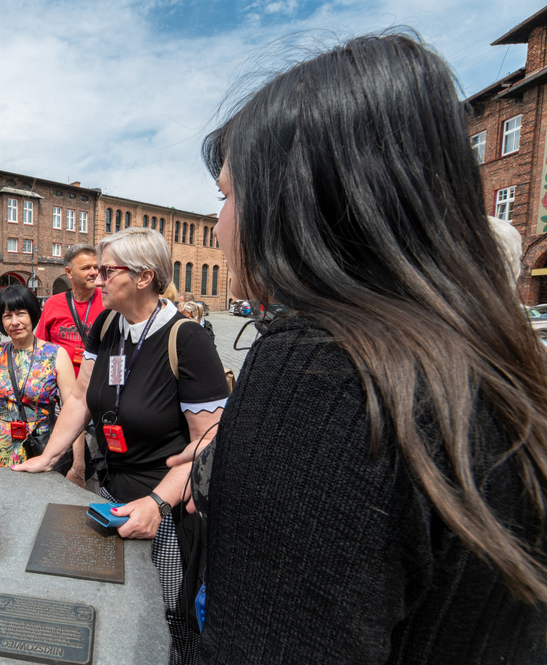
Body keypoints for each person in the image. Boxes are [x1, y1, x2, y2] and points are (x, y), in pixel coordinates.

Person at [173, 34, 547, 663]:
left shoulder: (321, 369)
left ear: (298, 204)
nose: (219, 225)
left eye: (227, 196)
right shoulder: (473, 357)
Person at [15, 227, 231, 664]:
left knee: (169, 613)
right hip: (112, 491)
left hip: (166, 508)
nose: (96, 280)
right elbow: (79, 396)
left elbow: (207, 443)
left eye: (107, 270)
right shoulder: (108, 323)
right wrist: (49, 457)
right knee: (117, 603)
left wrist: (156, 502)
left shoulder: (187, 340)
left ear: (144, 276)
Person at [0, 285, 76, 468]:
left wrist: (78, 464)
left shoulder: (55, 354)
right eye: (7, 316)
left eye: (21, 313)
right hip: (0, 449)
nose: (15, 322)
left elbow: (73, 411)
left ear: (32, 314)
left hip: (41, 449)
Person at [35, 245, 101, 378]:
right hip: (61, 386)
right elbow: (40, 347)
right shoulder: (53, 304)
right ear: (69, 272)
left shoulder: (109, 302)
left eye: (96, 267)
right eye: (86, 268)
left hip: (97, 385)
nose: (93, 272)